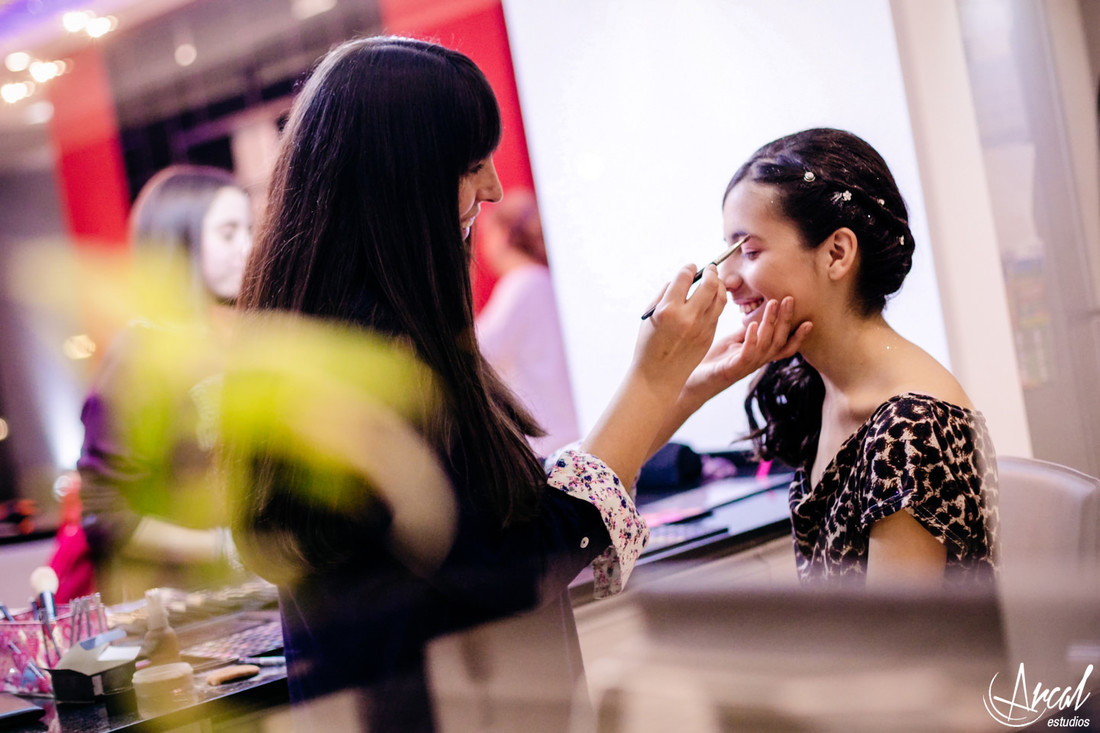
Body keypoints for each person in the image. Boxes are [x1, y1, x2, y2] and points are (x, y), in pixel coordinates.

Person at [227, 36, 726, 732]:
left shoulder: (326, 343)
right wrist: (652, 380)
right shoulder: (378, 366)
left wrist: (682, 385)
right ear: (401, 187)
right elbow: (507, 564)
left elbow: (485, 519)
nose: (492, 187)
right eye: (471, 166)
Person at [652, 127, 999, 588]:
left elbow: (898, 650)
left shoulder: (912, 425)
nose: (727, 279)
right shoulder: (820, 386)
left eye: (749, 250)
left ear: (837, 253)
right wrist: (695, 381)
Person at [76, 164, 254, 603]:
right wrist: (225, 548)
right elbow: (106, 516)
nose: (248, 248)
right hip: (177, 618)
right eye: (229, 233)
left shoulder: (227, 341)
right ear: (179, 239)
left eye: (249, 230)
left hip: (241, 602)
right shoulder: (138, 356)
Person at [475, 189, 580, 456]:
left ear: (504, 235)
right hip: (566, 428)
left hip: (546, 436)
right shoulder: (542, 280)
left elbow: (479, 353)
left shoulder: (522, 284)